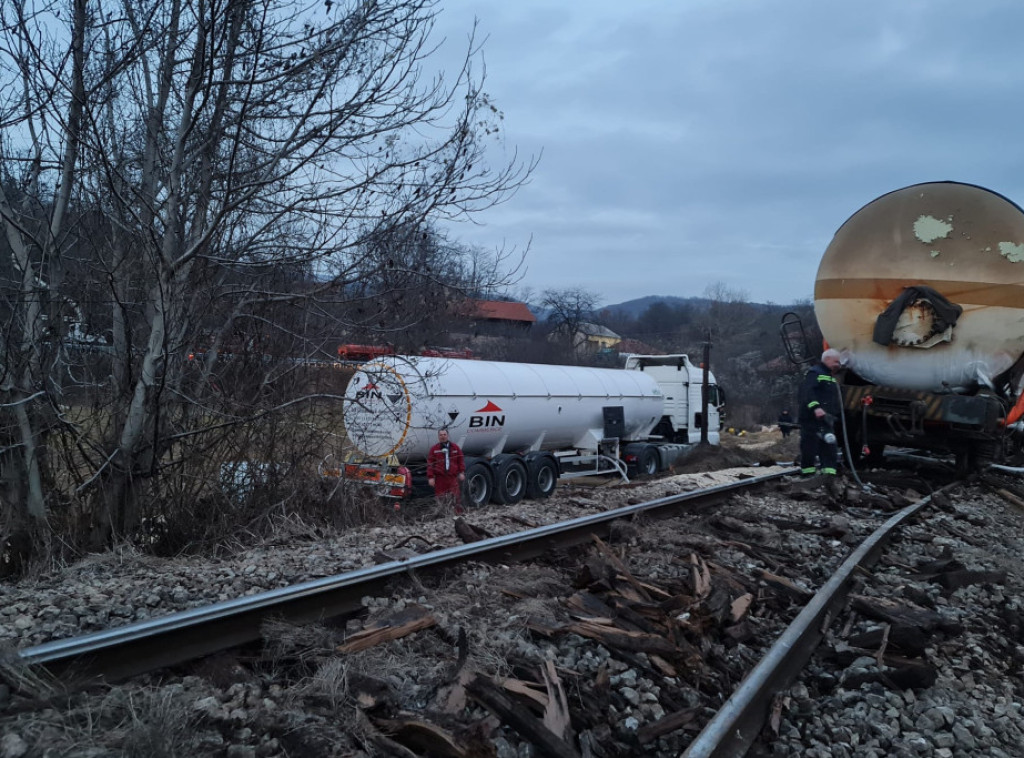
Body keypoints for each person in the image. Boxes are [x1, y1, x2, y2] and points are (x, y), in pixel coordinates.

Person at [797, 349, 842, 477]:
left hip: (826, 419)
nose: (838, 365)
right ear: (827, 359)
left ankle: (828, 475)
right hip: (811, 419)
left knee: (829, 447)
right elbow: (807, 393)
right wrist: (816, 408)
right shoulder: (814, 373)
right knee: (809, 447)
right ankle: (807, 474)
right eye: (836, 362)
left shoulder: (829, 376)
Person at [427, 429, 466, 514]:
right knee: (440, 497)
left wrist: (461, 472)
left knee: (455, 496)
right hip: (440, 479)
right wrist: (430, 477)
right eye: (441, 435)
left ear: (447, 436)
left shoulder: (455, 448)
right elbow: (430, 464)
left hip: (452, 478)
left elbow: (460, 460)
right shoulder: (434, 449)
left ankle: (457, 514)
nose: (443, 436)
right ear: (438, 437)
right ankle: (443, 514)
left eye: (444, 434)